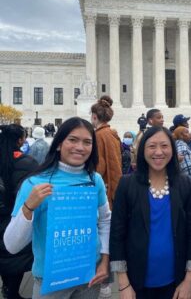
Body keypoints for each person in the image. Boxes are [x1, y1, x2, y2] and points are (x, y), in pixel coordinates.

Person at [4, 117, 111, 298]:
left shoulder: (95, 180)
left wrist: (104, 261)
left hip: (88, 277)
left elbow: (105, 220)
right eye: (73, 140)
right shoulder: (34, 183)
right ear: (59, 144)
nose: (80, 147)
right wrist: (28, 207)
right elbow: (12, 245)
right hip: (51, 280)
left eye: (87, 142)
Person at [110, 127, 191, 299]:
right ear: (143, 150)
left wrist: (189, 280)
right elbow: (117, 233)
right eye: (152, 146)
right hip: (136, 283)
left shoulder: (184, 183)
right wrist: (123, 284)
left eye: (164, 146)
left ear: (172, 150)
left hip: (175, 282)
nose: (158, 152)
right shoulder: (128, 184)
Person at [0, 124, 39, 299]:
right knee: (14, 255)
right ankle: (12, 291)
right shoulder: (29, 163)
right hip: (16, 217)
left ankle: (7, 288)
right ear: (21, 140)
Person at [91, 95, 122, 210]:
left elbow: (100, 165)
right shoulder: (112, 134)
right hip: (115, 182)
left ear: (94, 117)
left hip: (104, 186)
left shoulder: (98, 135)